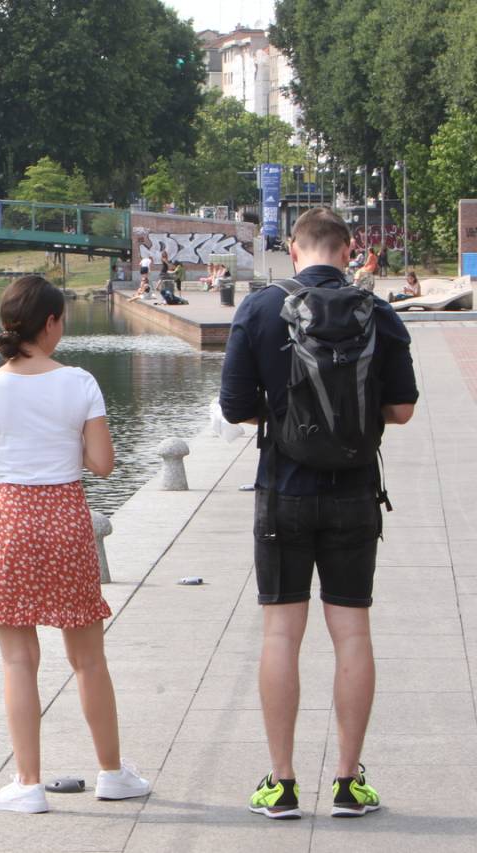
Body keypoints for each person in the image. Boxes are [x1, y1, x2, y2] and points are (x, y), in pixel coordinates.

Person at [219, 207, 417, 821]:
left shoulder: (258, 308)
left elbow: (233, 408)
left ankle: (280, 785)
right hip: (355, 493)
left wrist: (285, 416)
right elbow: (403, 409)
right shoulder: (376, 311)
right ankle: (348, 783)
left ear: (295, 249)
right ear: (349, 248)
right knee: (352, 631)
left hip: (284, 490)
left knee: (282, 632)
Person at [0, 275, 152, 813]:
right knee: (88, 660)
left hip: (10, 522)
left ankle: (28, 784)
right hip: (65, 520)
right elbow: (102, 464)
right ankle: (113, 773)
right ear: (49, 323)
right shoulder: (81, 383)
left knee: (18, 661)